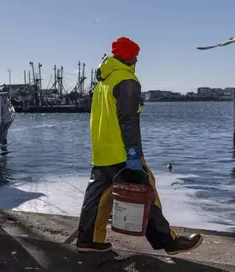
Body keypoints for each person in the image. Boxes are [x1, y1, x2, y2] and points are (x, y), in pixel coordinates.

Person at [76, 37, 203, 254]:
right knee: (147, 193)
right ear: (130, 57)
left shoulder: (103, 82)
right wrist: (133, 151)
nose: (137, 59)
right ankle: (169, 242)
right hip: (123, 152)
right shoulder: (127, 80)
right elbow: (128, 120)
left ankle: (88, 240)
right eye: (136, 55)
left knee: (96, 199)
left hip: (101, 151)